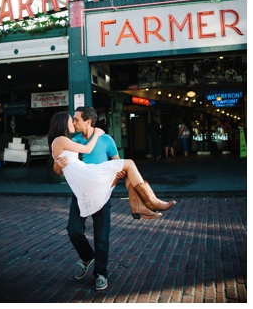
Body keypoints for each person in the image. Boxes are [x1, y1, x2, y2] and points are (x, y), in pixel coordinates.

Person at [51, 109, 176, 291]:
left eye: (76, 119)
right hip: (82, 191)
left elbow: (117, 161)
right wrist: (56, 165)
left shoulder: (106, 140)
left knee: (102, 237)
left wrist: (119, 172)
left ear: (88, 122)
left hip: (103, 189)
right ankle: (87, 256)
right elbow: (60, 168)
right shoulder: (73, 140)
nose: (74, 123)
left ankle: (100, 273)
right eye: (73, 120)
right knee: (73, 230)